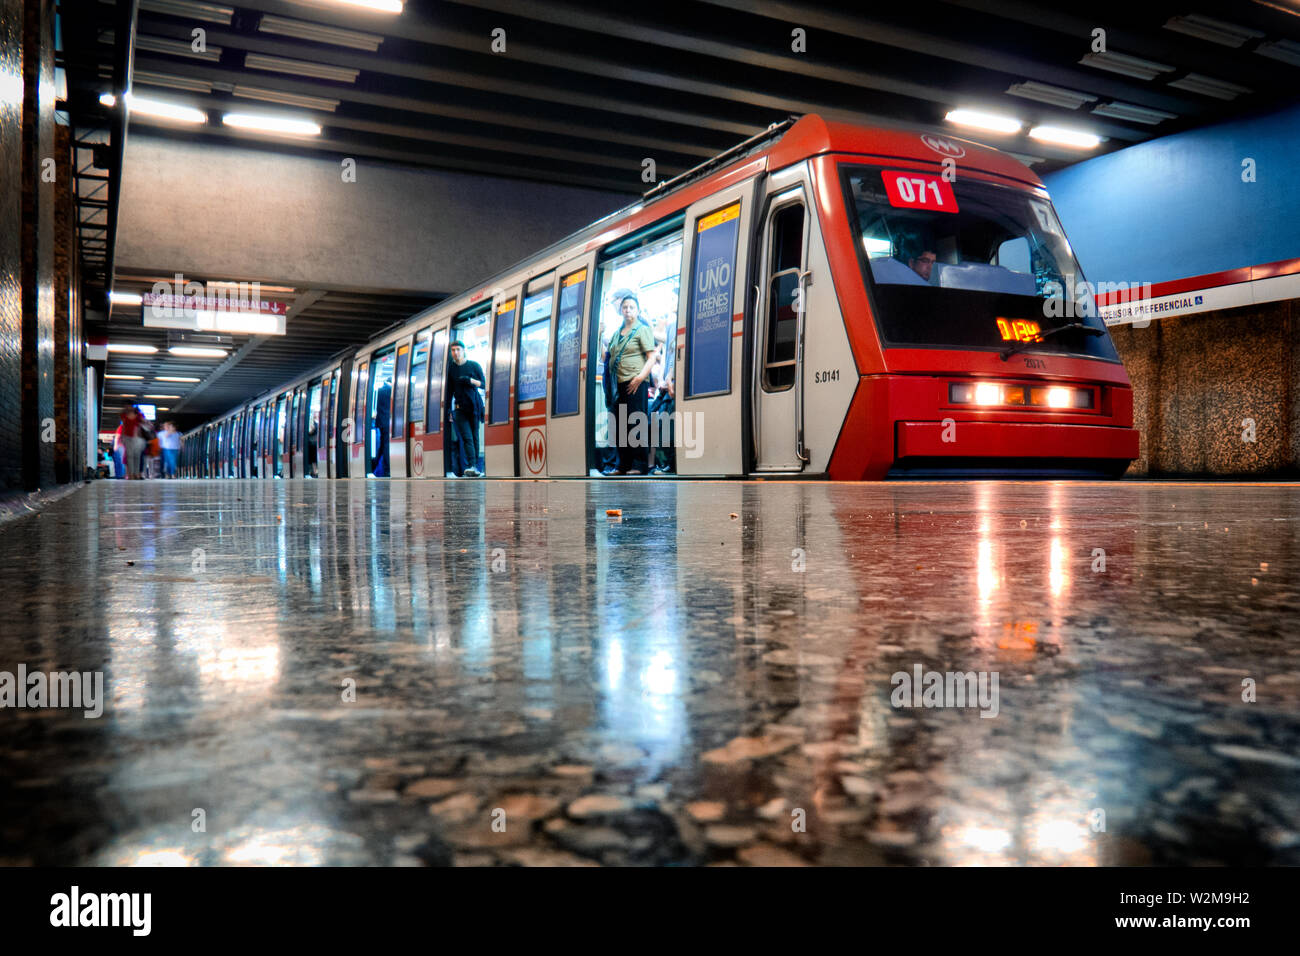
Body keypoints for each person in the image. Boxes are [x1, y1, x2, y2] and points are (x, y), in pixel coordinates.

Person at [606, 295, 659, 475]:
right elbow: (607, 357)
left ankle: (639, 464)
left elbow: (651, 357)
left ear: (637, 310)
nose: (628, 310)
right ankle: (623, 465)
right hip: (619, 384)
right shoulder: (616, 333)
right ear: (621, 310)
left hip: (636, 382)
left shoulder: (642, 330)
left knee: (636, 422)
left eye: (631, 307)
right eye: (625, 307)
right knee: (621, 425)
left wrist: (639, 378)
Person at [446, 341, 485, 477]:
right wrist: (448, 411)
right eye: (453, 350)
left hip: (474, 406)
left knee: (474, 436)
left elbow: (484, 384)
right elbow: (449, 391)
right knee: (467, 437)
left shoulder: (474, 366)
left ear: (463, 351)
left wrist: (470, 380)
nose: (455, 353)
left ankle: (475, 467)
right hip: (459, 408)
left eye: (458, 350)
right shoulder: (451, 369)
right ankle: (472, 465)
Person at [113, 405, 147, 480]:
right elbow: (122, 429)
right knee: (130, 457)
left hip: (137, 439)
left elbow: (143, 424)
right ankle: (131, 474)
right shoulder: (124, 417)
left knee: (137, 457)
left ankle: (136, 474)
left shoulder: (138, 417)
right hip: (128, 439)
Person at [372, 378, 392, 477]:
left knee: (383, 445)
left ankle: (374, 465)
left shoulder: (379, 391)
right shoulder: (391, 390)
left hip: (381, 422)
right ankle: (387, 469)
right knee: (386, 445)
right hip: (388, 422)